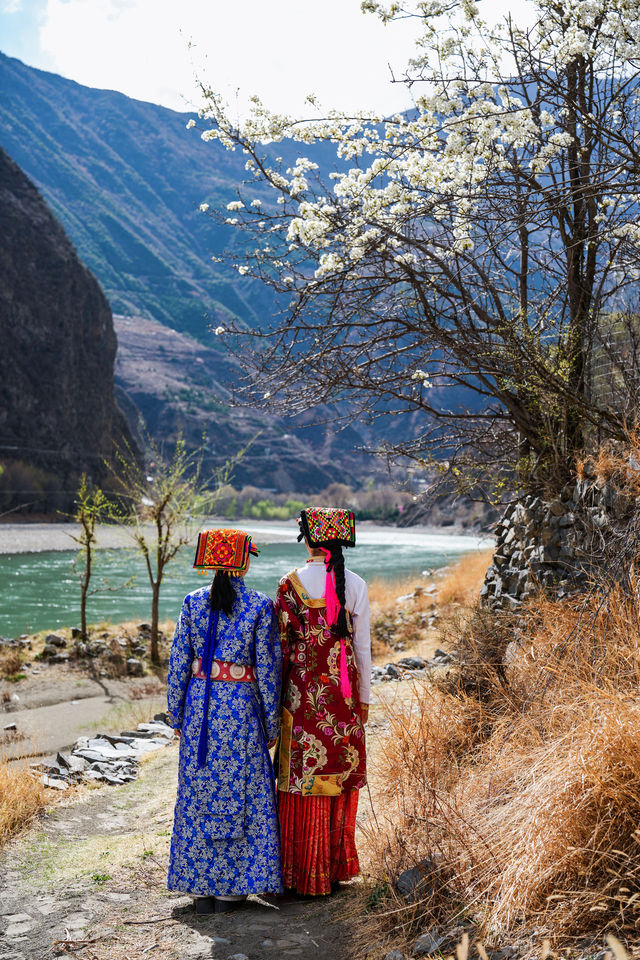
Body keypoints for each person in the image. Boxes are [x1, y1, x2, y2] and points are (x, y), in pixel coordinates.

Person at [166, 528, 283, 914]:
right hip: (240, 709)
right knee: (242, 789)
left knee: (199, 788)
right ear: (244, 561)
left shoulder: (191, 602)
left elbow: (179, 662)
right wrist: (272, 723)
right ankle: (233, 890)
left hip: (200, 707)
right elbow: (267, 669)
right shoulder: (260, 606)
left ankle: (199, 887)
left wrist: (177, 712)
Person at [275, 507, 371, 896]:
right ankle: (334, 869)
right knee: (338, 771)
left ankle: (299, 873)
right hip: (344, 696)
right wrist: (364, 701)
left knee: (302, 777)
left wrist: (271, 702)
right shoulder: (357, 585)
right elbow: (362, 650)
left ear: (309, 540)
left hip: (300, 697)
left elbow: (279, 650)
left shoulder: (289, 585)